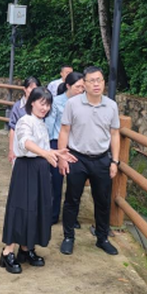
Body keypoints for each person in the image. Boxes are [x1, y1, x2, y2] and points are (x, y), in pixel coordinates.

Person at [0, 87, 76, 274]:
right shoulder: (25, 120)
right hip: (26, 169)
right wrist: (45, 153)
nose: (45, 108)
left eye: (48, 104)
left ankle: (26, 248)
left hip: (40, 169)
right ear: (32, 102)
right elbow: (26, 142)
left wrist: (56, 153)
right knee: (20, 208)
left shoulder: (41, 123)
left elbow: (42, 147)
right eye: (41, 103)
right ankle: (7, 252)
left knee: (36, 208)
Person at [58, 66, 121, 256]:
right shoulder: (73, 104)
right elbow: (64, 131)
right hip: (77, 157)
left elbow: (115, 134)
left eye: (99, 80)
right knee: (72, 199)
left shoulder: (111, 106)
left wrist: (115, 161)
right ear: (84, 84)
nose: (96, 84)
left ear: (104, 82)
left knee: (102, 200)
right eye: (91, 80)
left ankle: (102, 238)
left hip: (101, 159)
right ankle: (68, 237)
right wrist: (62, 157)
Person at [44, 71, 85, 225]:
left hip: (76, 145)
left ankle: (71, 217)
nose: (80, 90)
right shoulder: (56, 102)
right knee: (56, 181)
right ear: (68, 86)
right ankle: (53, 214)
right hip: (56, 142)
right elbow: (49, 124)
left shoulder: (85, 102)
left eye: (82, 87)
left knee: (75, 183)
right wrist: (47, 147)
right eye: (77, 87)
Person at [7, 76, 41, 163]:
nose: (33, 91)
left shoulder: (41, 106)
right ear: (24, 89)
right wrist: (11, 149)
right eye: (31, 87)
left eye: (36, 88)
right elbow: (13, 128)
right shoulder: (17, 107)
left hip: (37, 148)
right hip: (20, 147)